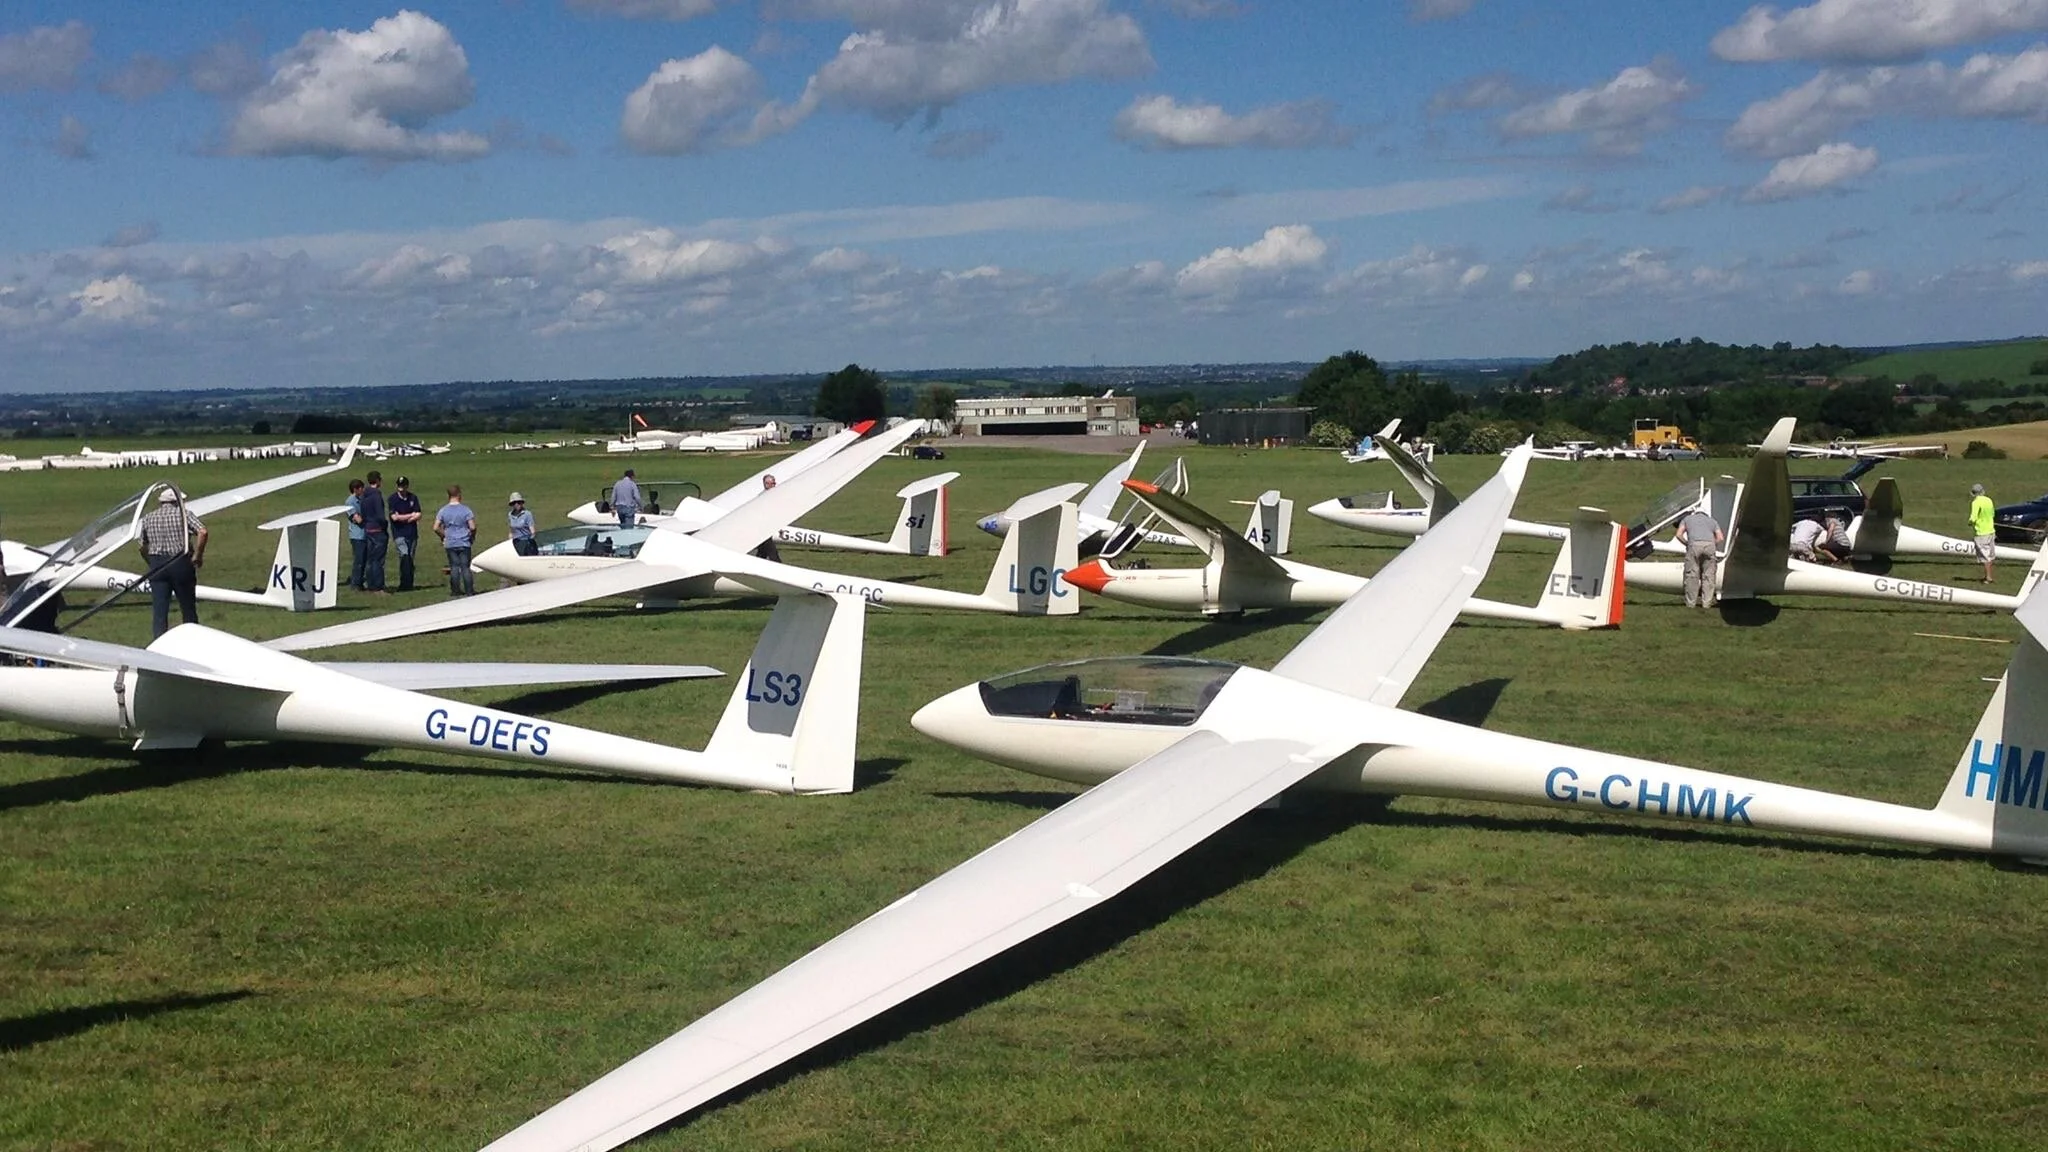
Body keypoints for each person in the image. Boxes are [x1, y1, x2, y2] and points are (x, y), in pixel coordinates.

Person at [136, 487, 208, 637]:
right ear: (177, 502)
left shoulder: (148, 518)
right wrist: (198, 555)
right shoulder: (184, 515)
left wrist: (151, 562)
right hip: (180, 563)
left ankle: (158, 642)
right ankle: (192, 638)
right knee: (188, 607)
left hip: (157, 565)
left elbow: (142, 546)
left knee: (159, 611)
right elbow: (203, 532)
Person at [1674, 507, 1723, 608]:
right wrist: (1712, 545)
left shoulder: (1687, 519)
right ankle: (1706, 603)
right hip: (1710, 546)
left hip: (1694, 545)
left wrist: (1687, 544)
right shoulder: (1712, 521)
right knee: (1708, 576)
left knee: (1692, 575)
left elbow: (1678, 535)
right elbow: (1720, 538)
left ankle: (1691, 603)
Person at [434, 485, 477, 596]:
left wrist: (444, 536)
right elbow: (472, 527)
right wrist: (472, 536)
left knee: (454, 567)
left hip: (450, 543)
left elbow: (435, 527)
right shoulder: (465, 510)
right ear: (459, 494)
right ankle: (469, 590)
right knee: (465, 567)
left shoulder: (443, 510)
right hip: (464, 541)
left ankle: (455, 590)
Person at [388, 475, 423, 591]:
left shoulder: (413, 498)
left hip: (412, 533)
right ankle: (404, 583)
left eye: (403, 486)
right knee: (404, 556)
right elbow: (394, 518)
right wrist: (410, 516)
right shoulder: (393, 499)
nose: (401, 489)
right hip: (399, 533)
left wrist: (404, 517)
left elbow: (418, 514)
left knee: (411, 558)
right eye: (399, 486)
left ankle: (409, 583)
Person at [358, 470, 390, 593]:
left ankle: (371, 584)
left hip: (368, 528)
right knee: (378, 559)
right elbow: (380, 515)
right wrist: (384, 524)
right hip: (377, 529)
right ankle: (378, 586)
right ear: (377, 481)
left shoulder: (364, 496)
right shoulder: (376, 495)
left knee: (371, 559)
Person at [1969, 482, 1996, 582]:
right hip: (1991, 530)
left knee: (1985, 556)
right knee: (1991, 555)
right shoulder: (1989, 500)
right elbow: (1992, 513)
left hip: (1982, 532)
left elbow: (1973, 517)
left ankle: (1988, 577)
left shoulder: (1976, 502)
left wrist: (1970, 522)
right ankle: (1988, 575)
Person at [343, 478, 366, 589]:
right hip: (357, 535)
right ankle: (355, 583)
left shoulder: (362, 499)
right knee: (359, 560)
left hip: (365, 534)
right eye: (361, 488)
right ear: (356, 489)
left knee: (365, 559)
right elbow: (358, 520)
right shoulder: (350, 502)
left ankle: (360, 581)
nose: (363, 490)